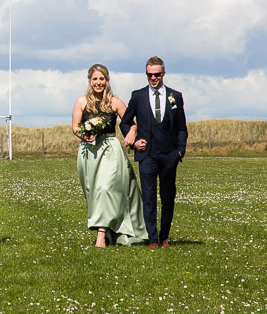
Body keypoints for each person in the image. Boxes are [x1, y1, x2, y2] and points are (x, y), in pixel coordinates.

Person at [72, 64, 146, 247]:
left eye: (102, 79)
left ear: (107, 80)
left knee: (106, 188)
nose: (98, 83)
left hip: (110, 150)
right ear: (90, 80)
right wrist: (84, 135)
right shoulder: (82, 102)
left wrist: (132, 133)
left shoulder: (115, 102)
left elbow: (131, 123)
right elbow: (75, 127)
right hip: (88, 153)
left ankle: (101, 235)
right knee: (94, 192)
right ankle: (110, 230)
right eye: (95, 79)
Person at [122, 56, 188, 249]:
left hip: (169, 155)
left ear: (163, 73)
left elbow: (182, 127)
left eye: (157, 74)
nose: (153, 78)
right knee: (149, 197)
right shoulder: (138, 96)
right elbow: (125, 122)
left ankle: (164, 237)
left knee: (168, 197)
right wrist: (134, 142)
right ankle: (152, 239)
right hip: (147, 155)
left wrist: (180, 151)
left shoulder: (176, 96)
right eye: (149, 75)